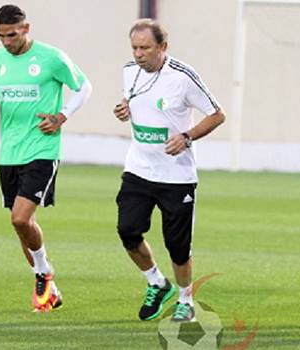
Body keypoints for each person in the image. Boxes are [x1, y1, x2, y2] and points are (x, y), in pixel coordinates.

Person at [0, 5, 91, 312]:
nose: (6, 42)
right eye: (1, 36)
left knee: (20, 218)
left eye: (11, 35)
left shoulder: (51, 58)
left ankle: (43, 273)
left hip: (42, 149)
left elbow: (84, 87)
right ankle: (48, 285)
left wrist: (62, 115)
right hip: (9, 153)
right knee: (22, 225)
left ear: (26, 28)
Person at [112, 19, 225, 323]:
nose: (138, 54)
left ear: (162, 47)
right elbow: (133, 104)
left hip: (176, 176)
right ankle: (156, 282)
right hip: (138, 168)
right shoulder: (129, 71)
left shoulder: (183, 77)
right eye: (135, 47)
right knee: (128, 230)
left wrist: (187, 136)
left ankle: (185, 300)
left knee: (177, 245)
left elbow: (217, 115)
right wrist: (122, 111)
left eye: (145, 48)